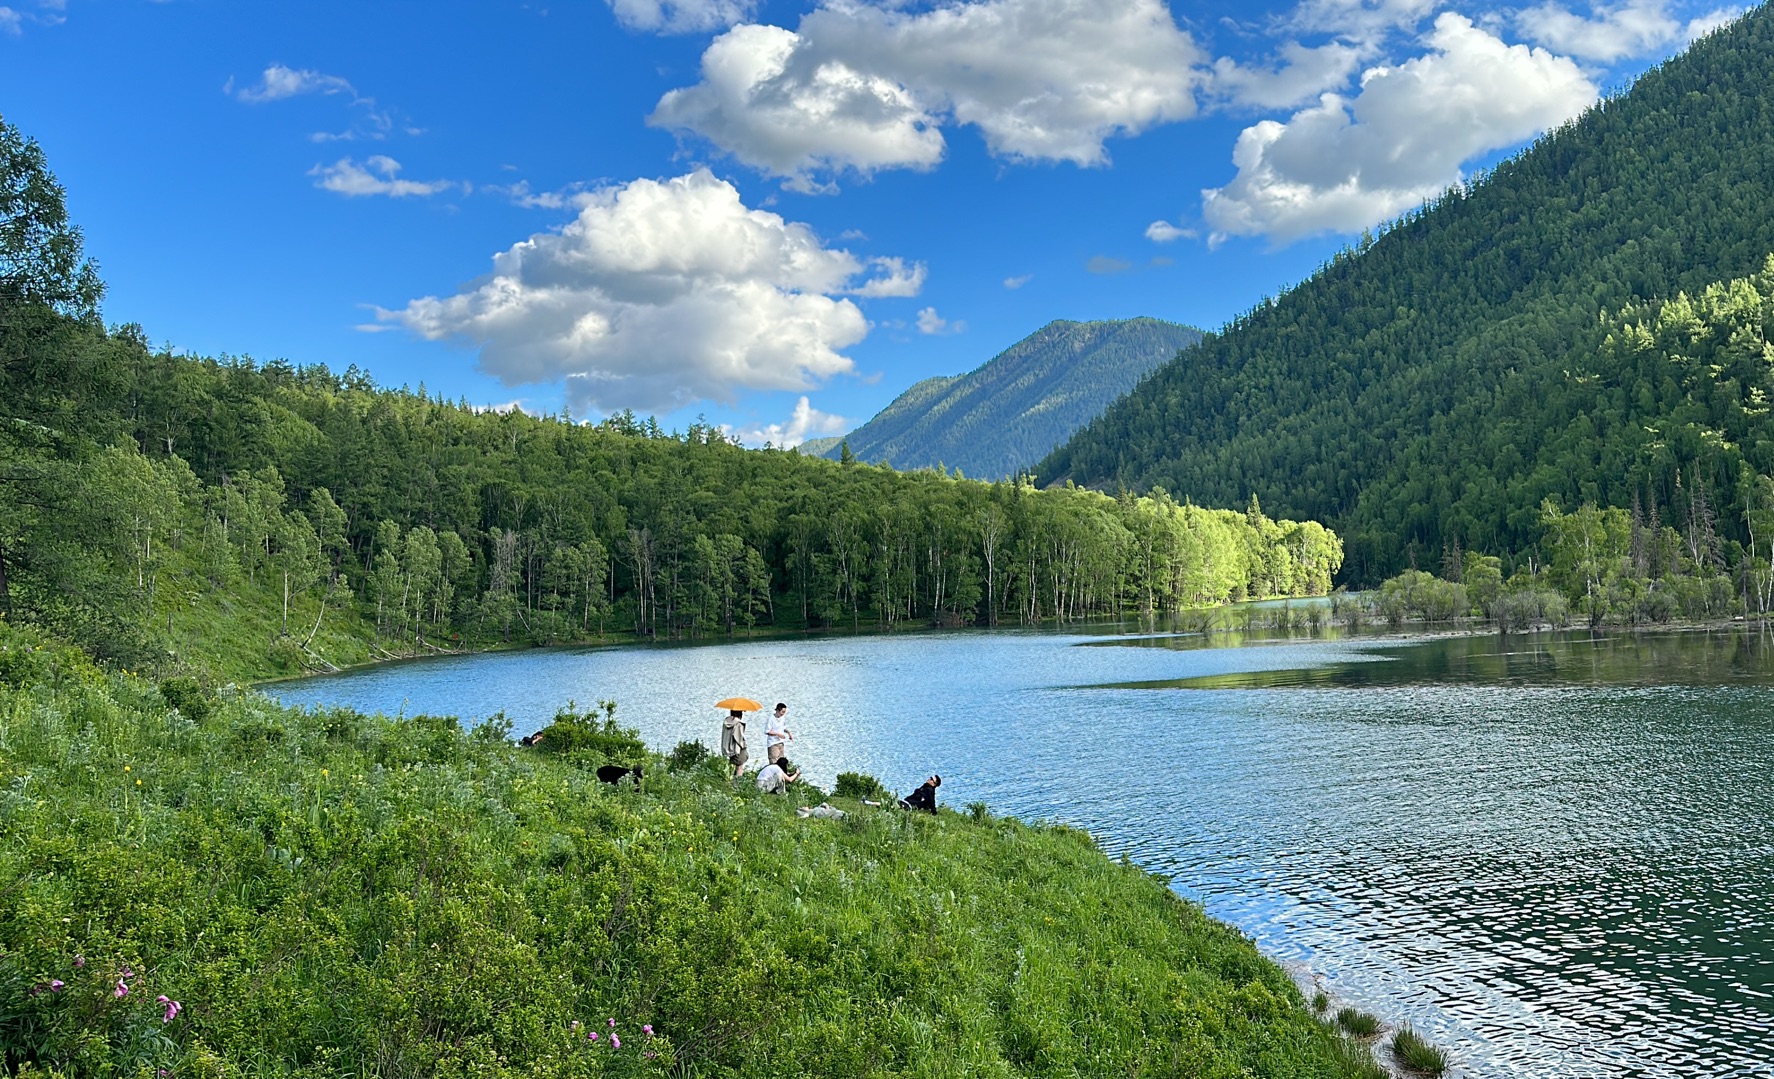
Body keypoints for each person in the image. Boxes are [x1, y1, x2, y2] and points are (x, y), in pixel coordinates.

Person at [721, 709, 749, 778]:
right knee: (740, 767)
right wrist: (744, 745)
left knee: (733, 767)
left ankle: (731, 782)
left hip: (728, 749)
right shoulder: (738, 723)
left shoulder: (726, 722)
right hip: (737, 749)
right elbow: (738, 738)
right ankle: (738, 783)